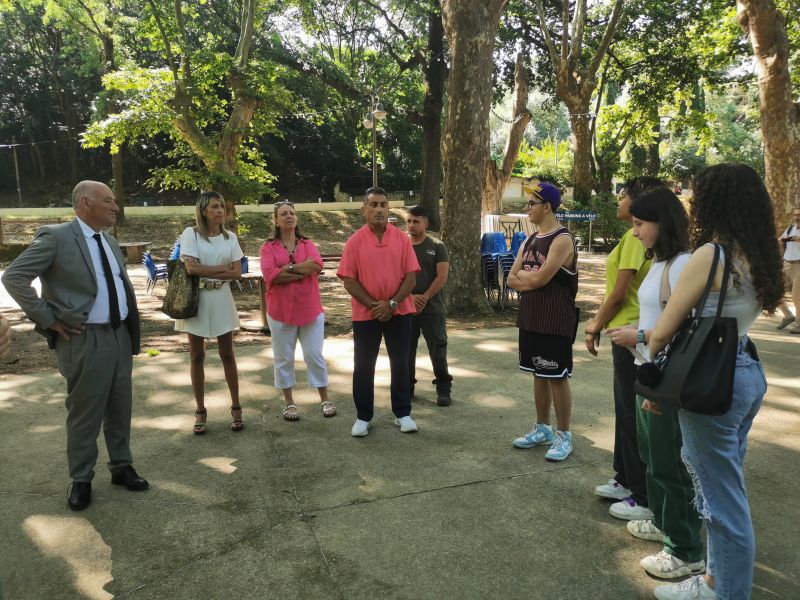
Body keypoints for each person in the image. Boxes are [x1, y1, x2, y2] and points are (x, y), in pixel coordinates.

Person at [646, 164, 783, 600]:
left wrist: (655, 373)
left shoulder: (711, 255)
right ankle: (714, 580)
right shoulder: (760, 254)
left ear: (712, 202)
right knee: (723, 487)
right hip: (744, 369)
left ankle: (726, 593)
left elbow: (665, 329)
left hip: (710, 380)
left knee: (723, 504)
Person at [1, 180, 148, 511]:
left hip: (118, 335)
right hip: (84, 339)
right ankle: (81, 478)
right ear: (85, 203)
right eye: (108, 201)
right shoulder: (56, 237)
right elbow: (14, 277)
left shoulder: (110, 241)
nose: (115, 206)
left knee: (120, 405)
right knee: (85, 412)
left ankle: (121, 466)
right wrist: (49, 319)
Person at [607, 188, 704, 582]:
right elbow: (658, 316)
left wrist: (640, 336)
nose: (635, 232)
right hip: (648, 371)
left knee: (668, 463)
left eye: (640, 224)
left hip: (663, 375)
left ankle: (685, 548)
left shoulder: (683, 264)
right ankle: (666, 524)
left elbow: (683, 327)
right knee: (652, 456)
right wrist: (639, 333)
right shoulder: (663, 261)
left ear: (662, 223)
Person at [587, 177, 662, 521]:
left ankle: (640, 490)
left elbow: (619, 293)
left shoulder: (636, 239)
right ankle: (625, 477)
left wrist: (594, 324)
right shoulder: (633, 235)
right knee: (625, 409)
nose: (618, 200)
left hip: (632, 332)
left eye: (623, 195)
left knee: (633, 414)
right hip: (627, 331)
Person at [337, 187, 420, 437]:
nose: (379, 209)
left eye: (383, 205)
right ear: (364, 210)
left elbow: (411, 278)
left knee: (402, 364)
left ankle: (403, 413)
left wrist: (392, 303)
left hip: (400, 312)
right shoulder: (354, 242)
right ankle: (363, 417)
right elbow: (349, 280)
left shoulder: (402, 239)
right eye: (373, 205)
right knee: (363, 365)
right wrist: (375, 305)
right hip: (366, 315)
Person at [507, 181, 578, 461]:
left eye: (531, 204)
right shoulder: (530, 239)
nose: (527, 209)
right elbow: (511, 278)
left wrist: (528, 278)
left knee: (557, 376)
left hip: (555, 319)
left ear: (546, 206)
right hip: (531, 317)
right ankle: (542, 427)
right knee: (538, 372)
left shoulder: (562, 239)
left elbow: (537, 277)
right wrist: (528, 279)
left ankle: (564, 434)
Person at [175, 191, 244, 434]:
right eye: (215, 206)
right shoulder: (191, 234)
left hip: (222, 298)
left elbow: (237, 272)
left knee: (228, 354)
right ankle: (200, 410)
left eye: (222, 206)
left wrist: (211, 271)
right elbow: (191, 268)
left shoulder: (230, 237)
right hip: (199, 300)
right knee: (196, 356)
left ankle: (236, 407)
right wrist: (222, 268)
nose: (220, 211)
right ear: (203, 210)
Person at [260, 200, 334, 421]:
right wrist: (302, 271)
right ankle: (289, 403)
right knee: (283, 358)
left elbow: (317, 265)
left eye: (292, 213)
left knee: (314, 355)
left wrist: (288, 268)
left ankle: (325, 398)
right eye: (284, 214)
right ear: (276, 220)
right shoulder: (268, 247)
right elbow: (270, 275)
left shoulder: (307, 244)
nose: (289, 216)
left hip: (310, 310)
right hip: (280, 312)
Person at [405, 205, 453, 406]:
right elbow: (395, 276)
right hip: (406, 307)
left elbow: (442, 276)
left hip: (433, 309)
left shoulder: (437, 246)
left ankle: (443, 389)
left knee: (438, 350)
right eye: (408, 221)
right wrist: (410, 296)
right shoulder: (401, 245)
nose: (411, 225)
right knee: (407, 351)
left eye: (416, 221)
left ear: (426, 223)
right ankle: (407, 388)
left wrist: (424, 297)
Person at [776, 207, 800, 333]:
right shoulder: (791, 228)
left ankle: (799, 324)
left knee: (797, 296)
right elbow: (780, 240)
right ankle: (788, 315)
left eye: (799, 215)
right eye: (795, 215)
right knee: (773, 288)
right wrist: (781, 241)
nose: (797, 217)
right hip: (787, 264)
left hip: (799, 266)